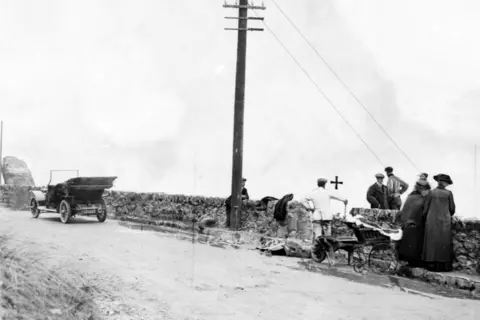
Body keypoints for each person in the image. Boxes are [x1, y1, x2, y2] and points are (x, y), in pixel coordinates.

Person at [422, 174, 456, 272]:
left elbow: (425, 209)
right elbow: (452, 209)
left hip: (431, 221)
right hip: (444, 222)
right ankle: (442, 266)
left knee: (431, 243)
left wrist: (426, 217)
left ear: (438, 182)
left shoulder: (431, 193)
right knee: (443, 243)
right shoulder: (449, 193)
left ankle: (430, 264)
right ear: (446, 183)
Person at [397, 180, 431, 267]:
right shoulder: (422, 199)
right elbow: (424, 212)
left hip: (407, 224)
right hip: (416, 224)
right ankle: (416, 263)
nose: (427, 192)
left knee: (409, 244)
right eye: (426, 190)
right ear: (422, 190)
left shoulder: (410, 197)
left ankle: (409, 262)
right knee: (416, 244)